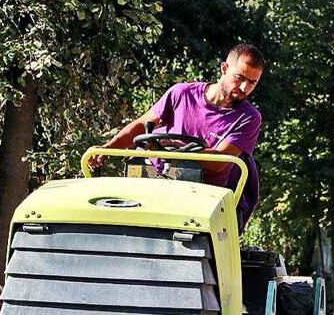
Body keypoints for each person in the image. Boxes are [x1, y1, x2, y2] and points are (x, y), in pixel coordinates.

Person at [94, 43, 265, 229]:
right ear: (224, 69)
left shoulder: (248, 118)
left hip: (204, 202)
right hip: (155, 187)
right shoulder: (182, 94)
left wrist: (171, 147)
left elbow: (219, 162)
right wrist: (107, 148)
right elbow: (141, 126)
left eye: (252, 82)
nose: (243, 87)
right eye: (239, 77)